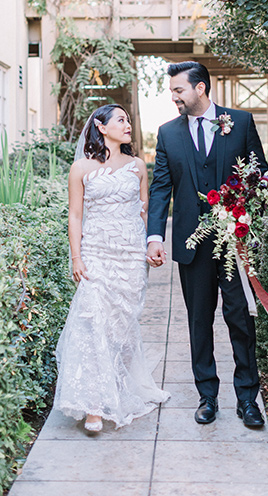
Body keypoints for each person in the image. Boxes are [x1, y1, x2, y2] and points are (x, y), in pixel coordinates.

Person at [147, 61, 268, 428]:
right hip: (191, 244)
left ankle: (248, 399)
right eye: (171, 92)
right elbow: (160, 188)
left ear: (200, 89)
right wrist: (154, 236)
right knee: (199, 321)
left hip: (233, 242)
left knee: (240, 320)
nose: (174, 98)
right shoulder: (168, 134)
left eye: (178, 91)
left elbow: (259, 175)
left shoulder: (241, 122)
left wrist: (245, 213)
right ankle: (207, 396)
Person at [54, 103, 169, 432]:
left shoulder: (137, 167)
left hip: (130, 258)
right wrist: (77, 257)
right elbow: (75, 215)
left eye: (129, 120)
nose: (127, 124)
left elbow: (144, 211)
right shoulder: (81, 168)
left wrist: (151, 245)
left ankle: (113, 388)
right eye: (121, 120)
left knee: (119, 328)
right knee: (93, 325)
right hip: (96, 256)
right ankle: (93, 405)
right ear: (102, 127)